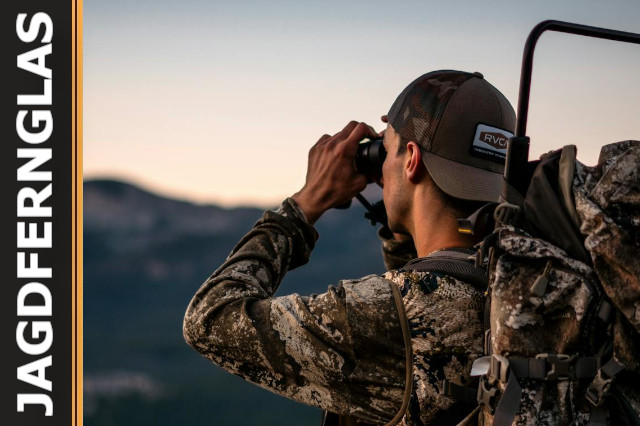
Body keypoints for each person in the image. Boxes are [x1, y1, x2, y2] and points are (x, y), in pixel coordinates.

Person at [183, 70, 516, 425]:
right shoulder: (522, 280)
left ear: (412, 160)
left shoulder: (386, 313)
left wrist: (306, 202)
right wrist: (399, 197)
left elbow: (208, 319)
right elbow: (437, 272)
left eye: (386, 152)